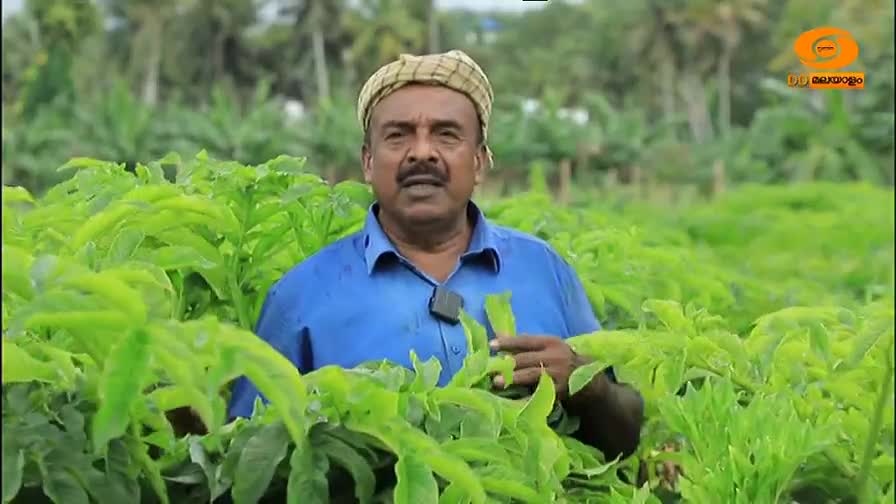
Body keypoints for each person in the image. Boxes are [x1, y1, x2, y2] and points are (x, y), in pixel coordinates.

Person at [227, 50, 644, 461]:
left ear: (479, 162)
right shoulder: (302, 296)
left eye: (446, 134)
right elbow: (249, 459)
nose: (422, 152)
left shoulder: (545, 270)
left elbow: (626, 439)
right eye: (398, 135)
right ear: (368, 163)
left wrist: (591, 389)